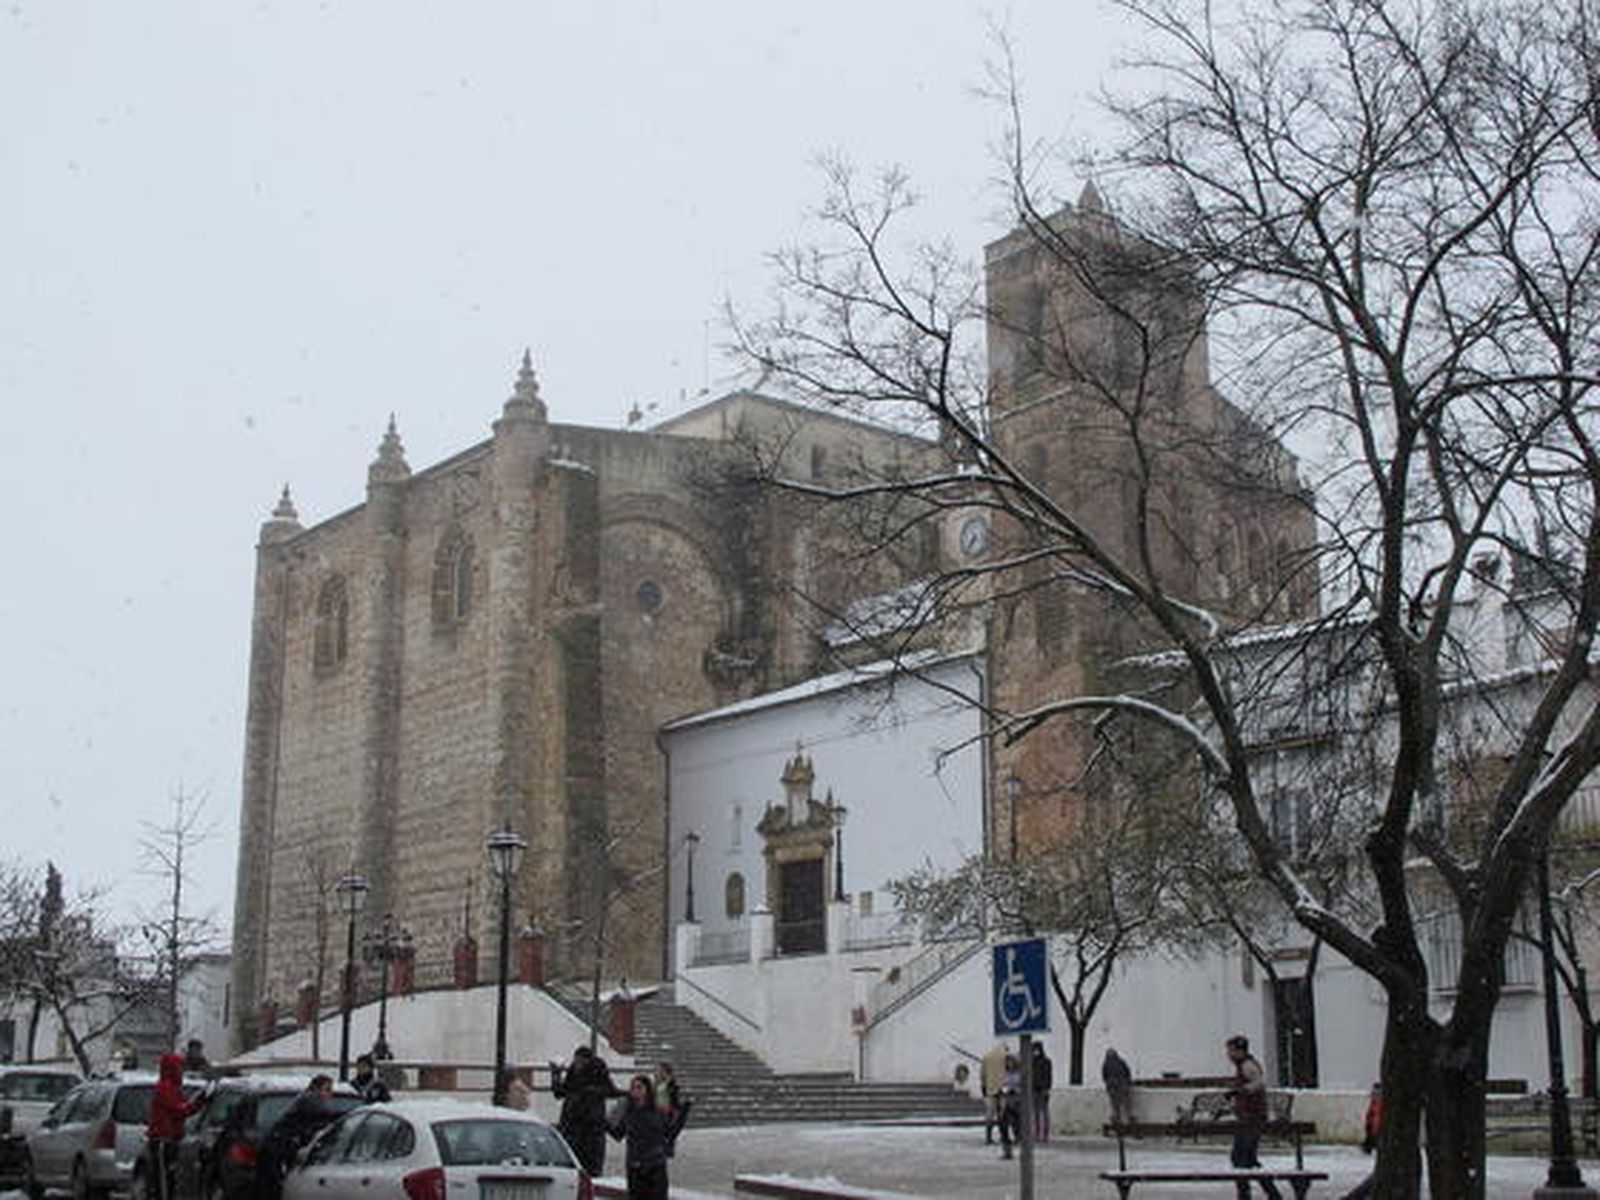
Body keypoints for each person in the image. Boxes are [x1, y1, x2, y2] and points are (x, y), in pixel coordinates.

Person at [260, 1075, 338, 1200]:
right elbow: (326, 1117)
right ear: (316, 1089)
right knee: (276, 1188)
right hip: (278, 1147)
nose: (330, 1094)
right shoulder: (310, 1099)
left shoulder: (307, 1099)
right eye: (327, 1089)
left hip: (283, 1145)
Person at [1224, 1035, 1282, 1199]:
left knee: (1241, 1157)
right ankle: (1269, 1192)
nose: (1228, 1054)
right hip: (1248, 1117)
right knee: (1246, 1158)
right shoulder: (1243, 1065)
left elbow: (1258, 1083)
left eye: (1230, 1050)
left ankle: (1246, 1194)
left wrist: (1238, 1091)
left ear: (1239, 1051)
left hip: (1252, 1118)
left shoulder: (1247, 1065)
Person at [551, 1045, 622, 1178]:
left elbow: (611, 1091)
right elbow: (560, 1093)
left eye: (580, 1061)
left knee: (590, 1170)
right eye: (576, 1061)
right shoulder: (573, 1071)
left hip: (591, 1131)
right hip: (572, 1128)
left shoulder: (598, 1070)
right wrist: (555, 1075)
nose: (577, 1064)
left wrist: (591, 1092)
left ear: (587, 1060)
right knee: (573, 1170)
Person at [145, 1052, 200, 1200]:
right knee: (163, 1182)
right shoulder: (165, 1088)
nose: (182, 1070)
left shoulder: (173, 1088)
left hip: (170, 1139)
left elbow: (181, 1108)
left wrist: (193, 1105)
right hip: (163, 1140)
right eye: (179, 1066)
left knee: (168, 1181)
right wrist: (195, 1105)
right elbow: (178, 1110)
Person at [606, 1074, 670, 1200]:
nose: (635, 1091)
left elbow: (666, 1132)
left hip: (654, 1167)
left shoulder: (656, 1111)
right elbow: (619, 1134)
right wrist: (604, 1124)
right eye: (633, 1088)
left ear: (647, 1090)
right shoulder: (629, 1111)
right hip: (634, 1167)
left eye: (639, 1088)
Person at [1341, 1082, 1383, 1200]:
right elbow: (1370, 1121)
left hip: (1383, 1140)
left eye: (1376, 1094)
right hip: (1381, 1139)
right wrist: (1370, 1139)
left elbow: (1371, 1122)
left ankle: (1354, 1197)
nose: (1374, 1096)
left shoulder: (1379, 1105)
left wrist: (1370, 1138)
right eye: (1374, 1094)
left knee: (1380, 1175)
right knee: (1380, 1174)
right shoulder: (1376, 1105)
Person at [652, 1062, 691, 1155]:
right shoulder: (657, 1085)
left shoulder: (670, 1085)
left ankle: (667, 1148)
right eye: (657, 1071)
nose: (656, 1073)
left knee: (667, 1133)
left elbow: (675, 1099)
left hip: (666, 1113)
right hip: (658, 1112)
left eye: (660, 1071)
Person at [980, 1041, 1007, 1145]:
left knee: (990, 1115)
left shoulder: (987, 1057)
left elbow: (982, 1074)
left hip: (990, 1089)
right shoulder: (1005, 1057)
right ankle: (1003, 1135)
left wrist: (984, 1086)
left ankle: (988, 1136)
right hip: (1002, 1089)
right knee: (1002, 1115)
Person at [996, 1053, 1023, 1160]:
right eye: (1008, 1062)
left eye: (1011, 1062)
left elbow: (1023, 1087)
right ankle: (1007, 1151)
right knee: (1003, 1127)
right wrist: (1004, 1089)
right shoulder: (1004, 1074)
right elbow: (1001, 1086)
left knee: (1017, 1127)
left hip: (1016, 1102)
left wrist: (1016, 1089)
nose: (1009, 1064)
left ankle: (1022, 1150)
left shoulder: (1020, 1074)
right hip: (1006, 1101)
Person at [1102, 1047, 1134, 1125]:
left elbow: (1104, 1076)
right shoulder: (1120, 1062)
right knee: (1122, 1105)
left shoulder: (1107, 1064)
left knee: (1117, 1106)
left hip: (1117, 1087)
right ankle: (1123, 1120)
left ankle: (1119, 1120)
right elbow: (1128, 1073)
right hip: (1118, 1087)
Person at [1030, 1041, 1053, 1143]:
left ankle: (1045, 1134)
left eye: (1037, 1049)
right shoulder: (1031, 1062)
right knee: (1036, 1113)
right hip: (1034, 1089)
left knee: (1044, 1113)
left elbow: (1049, 1076)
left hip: (1043, 1090)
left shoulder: (1046, 1061)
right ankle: (1036, 1134)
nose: (1035, 1052)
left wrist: (1047, 1088)